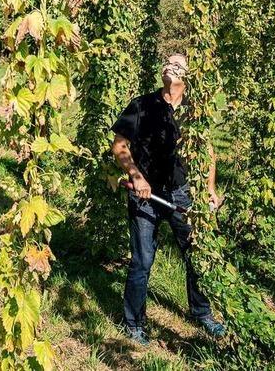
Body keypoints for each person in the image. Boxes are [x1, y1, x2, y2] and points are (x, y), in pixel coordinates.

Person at [111, 53, 225, 345]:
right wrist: (136, 175)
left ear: (187, 76)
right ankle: (133, 322)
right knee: (142, 260)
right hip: (145, 194)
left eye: (178, 64)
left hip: (182, 193)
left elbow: (208, 151)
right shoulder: (141, 105)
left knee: (195, 255)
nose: (170, 66)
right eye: (167, 61)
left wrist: (210, 189)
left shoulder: (194, 111)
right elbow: (120, 145)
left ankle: (202, 313)